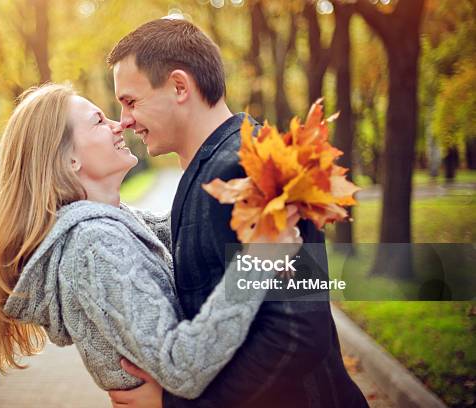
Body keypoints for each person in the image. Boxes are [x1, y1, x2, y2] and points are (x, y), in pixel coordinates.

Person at [0, 83, 303, 401]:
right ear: (69, 160)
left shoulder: (115, 224)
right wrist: (261, 256)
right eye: (99, 120)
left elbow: (186, 228)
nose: (120, 124)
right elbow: (181, 367)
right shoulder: (93, 244)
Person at [107, 18, 369, 408]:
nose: (124, 120)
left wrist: (175, 404)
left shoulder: (247, 170)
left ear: (180, 87)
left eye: (131, 101)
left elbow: (297, 332)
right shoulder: (216, 167)